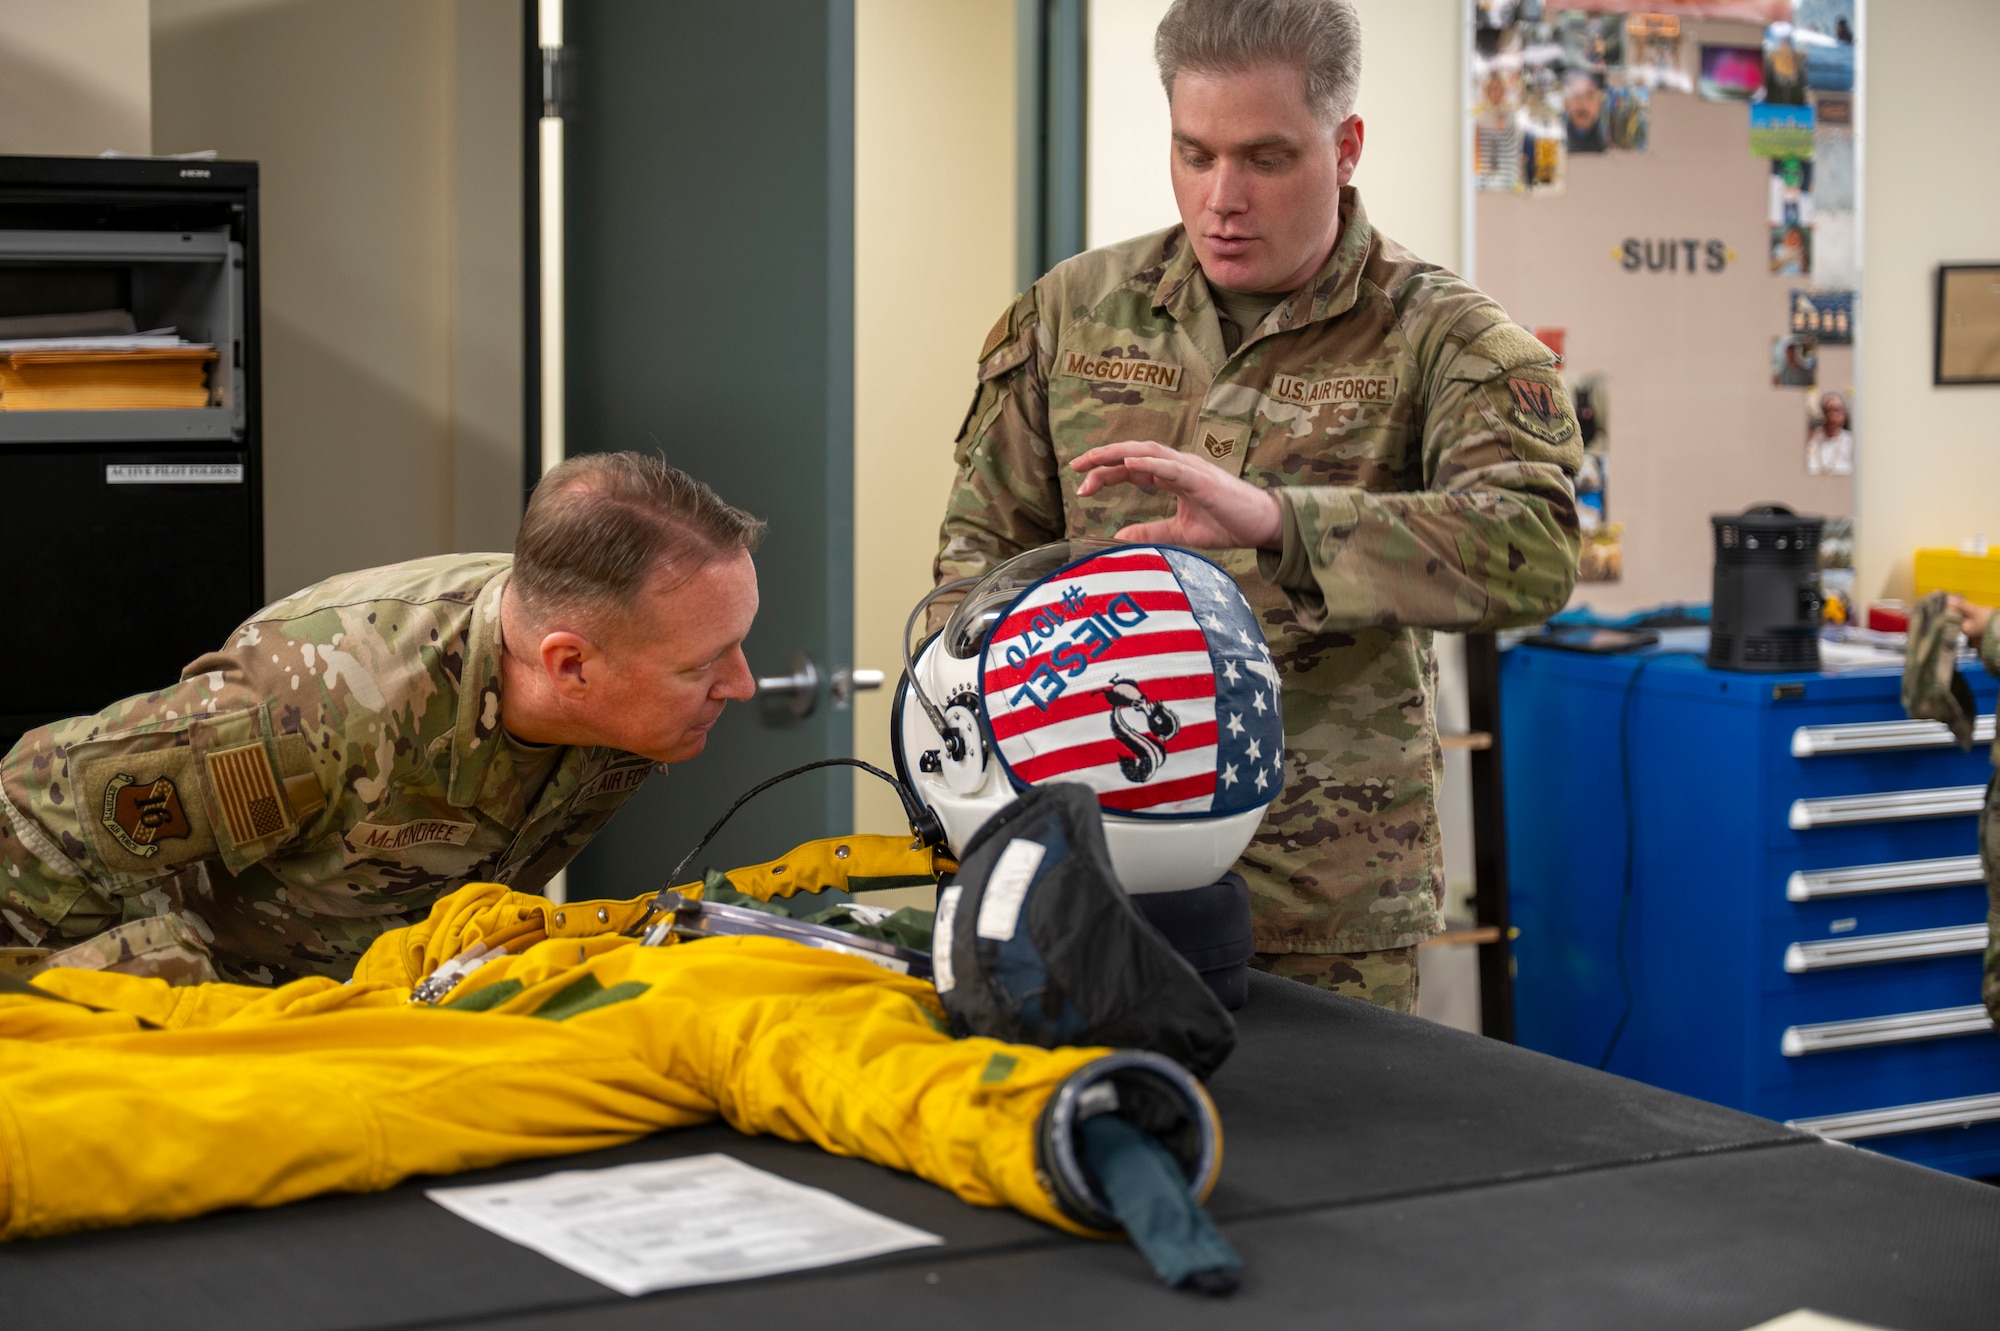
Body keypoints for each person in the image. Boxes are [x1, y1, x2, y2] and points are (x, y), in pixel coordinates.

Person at [934, 0, 1581, 1012]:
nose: (1221, 198)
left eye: (1265, 158)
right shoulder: (1069, 312)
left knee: (1334, 1163)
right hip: (1081, 854)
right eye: (1193, 154)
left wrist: (1284, 525)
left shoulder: (1443, 337)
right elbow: (978, 559)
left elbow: (1533, 548)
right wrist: (962, 768)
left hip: (1321, 889)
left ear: (1345, 145)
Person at [0, 452, 763, 985]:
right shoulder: (318, 702)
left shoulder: (617, 683)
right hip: (163, 1019)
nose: (744, 684)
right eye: (703, 664)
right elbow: (33, 821)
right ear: (570, 666)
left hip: (339, 1023)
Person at [1806, 391, 1854, 476]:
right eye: (1828, 410)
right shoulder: (1813, 438)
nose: (1832, 415)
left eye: (1836, 410)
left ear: (1843, 415)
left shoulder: (1851, 441)